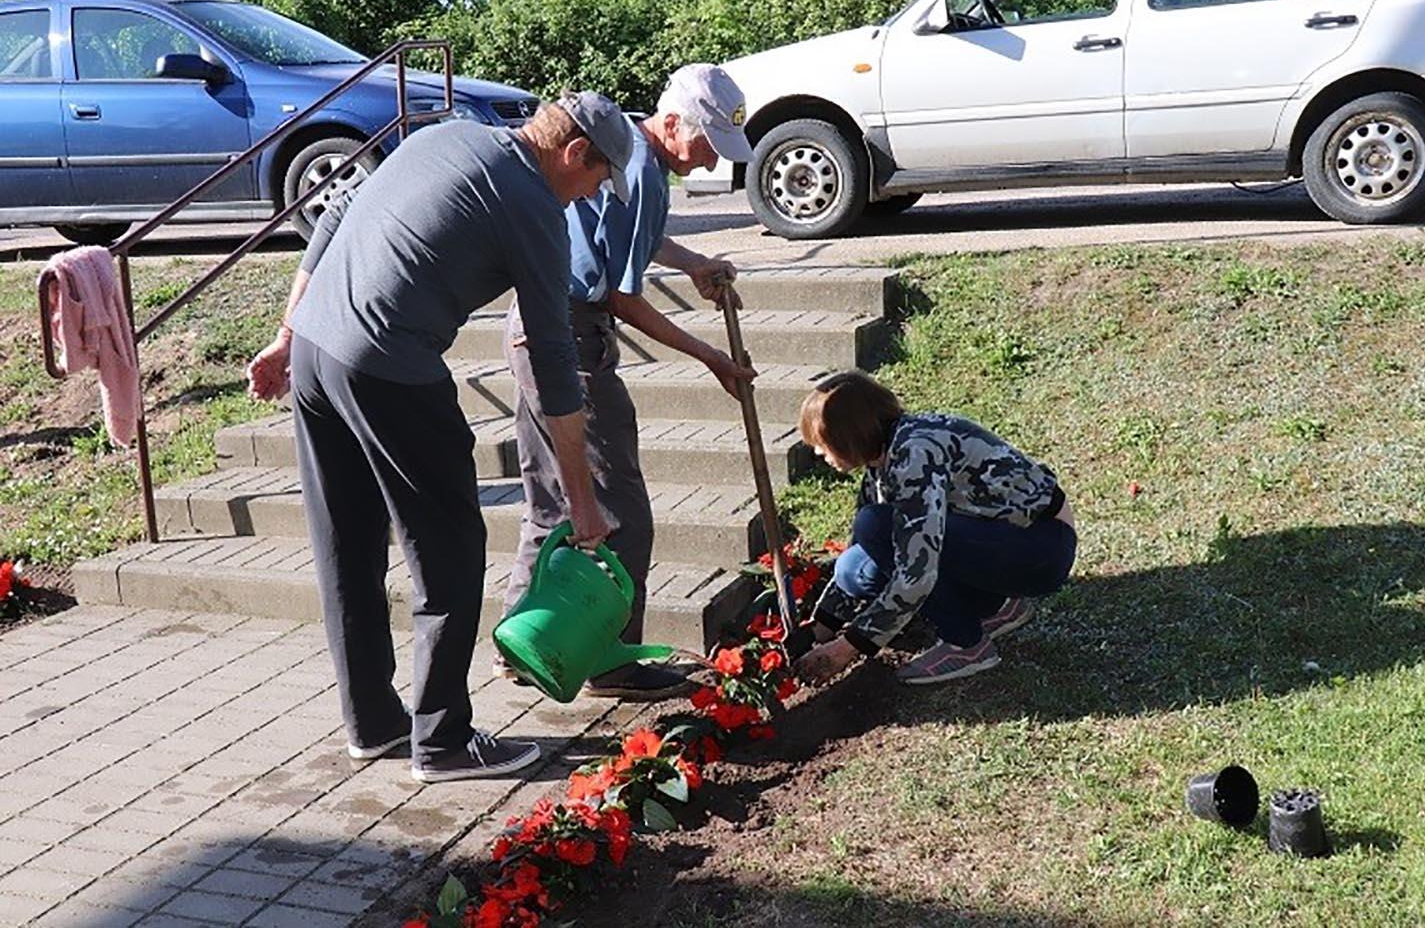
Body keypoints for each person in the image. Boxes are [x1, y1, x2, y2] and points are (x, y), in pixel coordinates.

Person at [246, 93, 634, 782]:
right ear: (575, 154)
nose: (590, 196)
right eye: (598, 180)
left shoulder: (446, 133)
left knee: (348, 543)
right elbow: (553, 359)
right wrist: (581, 499)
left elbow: (337, 213)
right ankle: (445, 740)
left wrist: (284, 335)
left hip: (314, 350)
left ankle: (372, 723)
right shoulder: (537, 207)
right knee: (450, 546)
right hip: (388, 364)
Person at [501, 64, 758, 701]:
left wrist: (693, 259)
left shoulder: (635, 159)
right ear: (671, 123)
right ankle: (611, 664)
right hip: (569, 337)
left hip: (529, 327)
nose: (706, 165)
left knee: (550, 501)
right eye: (704, 147)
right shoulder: (640, 165)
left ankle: (522, 642)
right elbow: (622, 298)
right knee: (619, 507)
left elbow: (630, 240)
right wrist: (711, 358)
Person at [793, 371, 1077, 686]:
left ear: (850, 434)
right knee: (856, 565)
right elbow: (866, 549)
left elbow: (917, 571)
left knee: (875, 526)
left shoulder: (915, 455)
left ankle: (967, 645)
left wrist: (849, 647)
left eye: (822, 442)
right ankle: (997, 605)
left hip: (1041, 547)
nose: (819, 453)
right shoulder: (883, 459)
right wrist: (823, 625)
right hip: (999, 540)